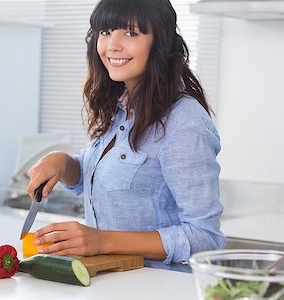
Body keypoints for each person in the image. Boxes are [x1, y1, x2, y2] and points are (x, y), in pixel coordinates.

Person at [26, 0, 226, 272]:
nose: (112, 45)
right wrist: (63, 163)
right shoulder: (121, 105)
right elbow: (106, 174)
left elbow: (205, 238)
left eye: (131, 33)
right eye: (105, 32)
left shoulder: (184, 122)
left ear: (161, 42)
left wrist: (100, 241)